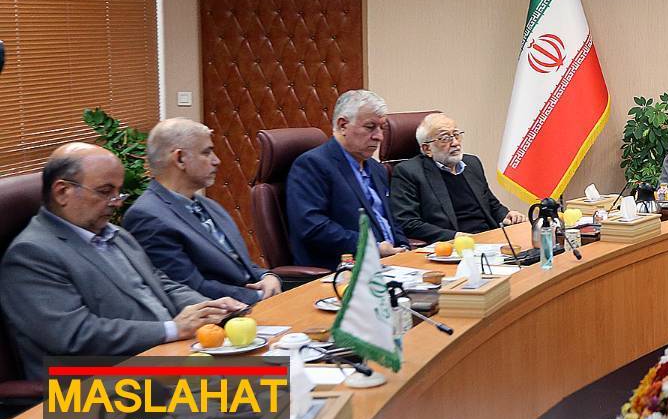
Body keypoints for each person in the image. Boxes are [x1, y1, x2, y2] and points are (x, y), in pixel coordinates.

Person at [0, 144, 243, 380]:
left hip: (165, 360)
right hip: (96, 387)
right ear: (62, 192)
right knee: (251, 395)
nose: (117, 202)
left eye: (118, 192)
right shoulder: (32, 254)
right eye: (105, 191)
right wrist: (173, 329)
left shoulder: (115, 234)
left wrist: (207, 309)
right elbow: (75, 335)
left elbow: (162, 284)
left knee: (261, 376)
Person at [124, 119, 282, 303]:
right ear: (180, 159)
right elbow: (189, 288)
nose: (217, 161)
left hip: (253, 303)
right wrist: (259, 296)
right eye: (207, 152)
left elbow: (239, 265)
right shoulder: (147, 216)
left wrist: (267, 276)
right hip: (220, 313)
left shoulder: (208, 205)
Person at [286, 89, 408, 269]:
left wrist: (404, 247)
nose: (379, 136)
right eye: (370, 127)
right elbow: (313, 227)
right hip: (343, 271)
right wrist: (372, 248)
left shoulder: (376, 168)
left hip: (391, 264)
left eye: (382, 128)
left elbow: (390, 219)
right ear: (343, 125)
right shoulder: (312, 165)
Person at [390, 112, 523, 243]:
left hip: (489, 239)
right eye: (445, 138)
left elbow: (491, 204)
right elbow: (408, 223)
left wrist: (506, 215)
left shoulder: (472, 163)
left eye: (456, 135)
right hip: (453, 246)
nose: (455, 143)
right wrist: (455, 236)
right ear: (427, 149)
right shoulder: (408, 172)